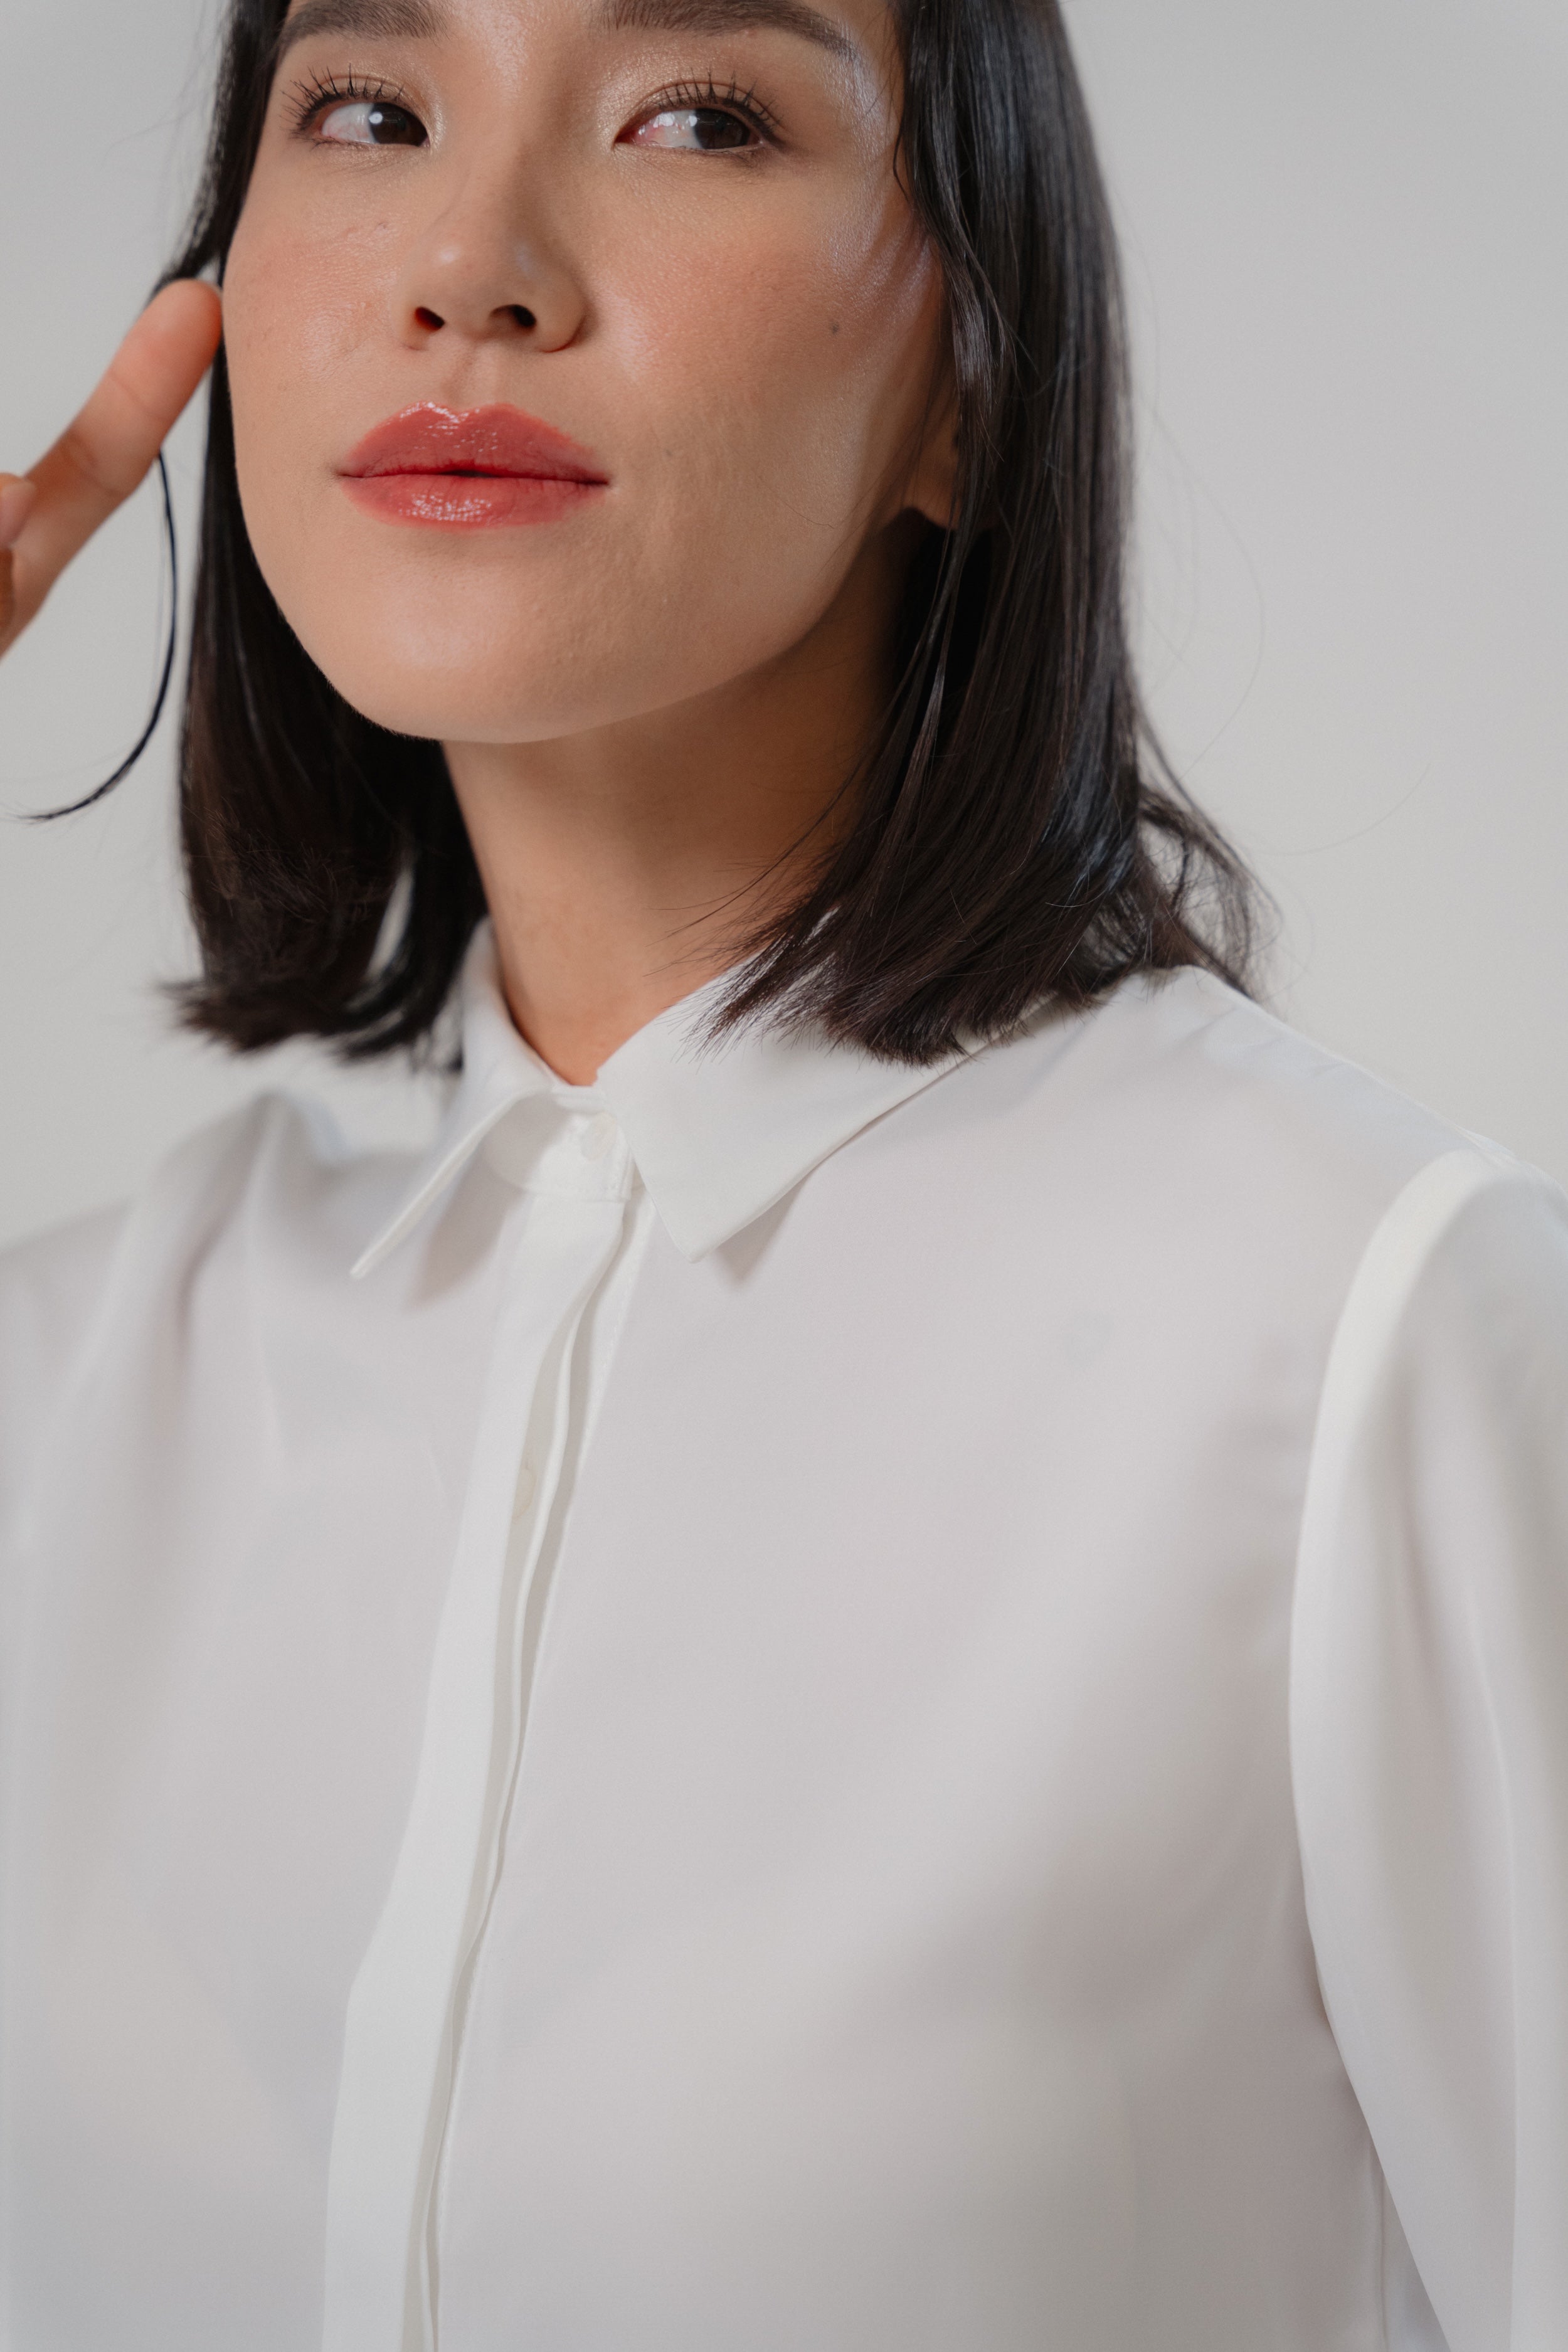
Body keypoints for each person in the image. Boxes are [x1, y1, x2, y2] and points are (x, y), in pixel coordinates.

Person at [1, 0, 1564, 2344]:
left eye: (697, 116)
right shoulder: (64, 1387)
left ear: (964, 371)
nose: (472, 260)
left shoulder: (1367, 1340)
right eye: (370, 109)